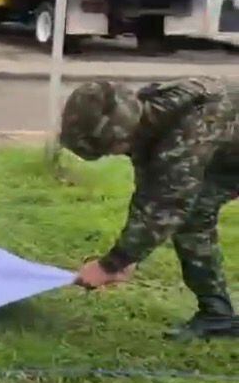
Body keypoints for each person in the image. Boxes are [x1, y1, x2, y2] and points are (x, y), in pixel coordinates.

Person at [60, 77, 238, 339]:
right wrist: (127, 258)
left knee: (186, 212)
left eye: (112, 149)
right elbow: (149, 194)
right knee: (194, 218)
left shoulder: (188, 128)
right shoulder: (147, 120)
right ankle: (217, 315)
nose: (116, 154)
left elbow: (167, 205)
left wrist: (110, 265)